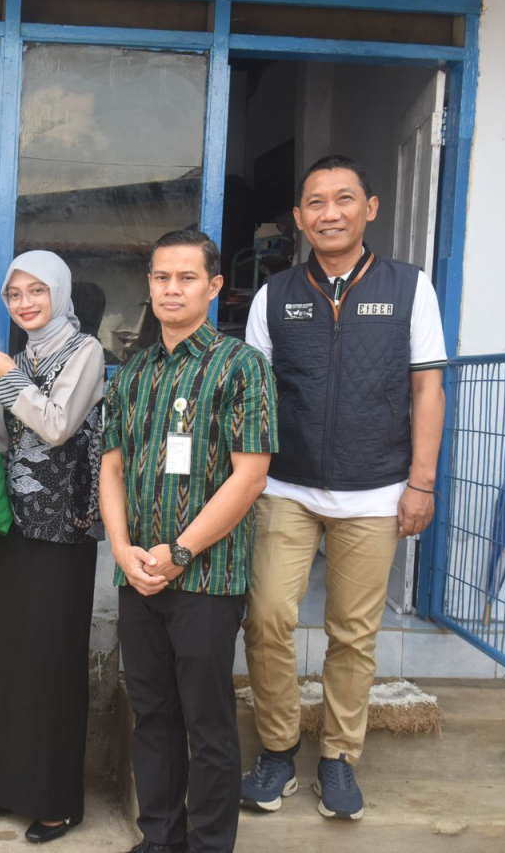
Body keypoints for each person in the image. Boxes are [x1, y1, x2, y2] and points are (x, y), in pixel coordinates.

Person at [240, 155, 446, 821]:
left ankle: (338, 756)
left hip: (376, 489)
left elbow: (427, 387)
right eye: (316, 203)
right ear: (299, 217)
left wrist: (421, 482)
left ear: (370, 209)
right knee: (267, 616)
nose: (330, 213)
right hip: (285, 485)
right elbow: (253, 395)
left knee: (353, 632)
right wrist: (248, 478)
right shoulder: (274, 295)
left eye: (344, 199)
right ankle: (277, 749)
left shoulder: (410, 288)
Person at [101, 229, 277, 853]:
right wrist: (121, 550)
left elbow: (250, 476)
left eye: (186, 277)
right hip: (138, 576)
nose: (171, 289)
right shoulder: (132, 372)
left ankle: (208, 845)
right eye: (161, 277)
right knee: (152, 716)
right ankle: (159, 839)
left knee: (208, 723)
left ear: (214, 286)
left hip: (206, 577)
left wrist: (179, 553)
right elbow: (112, 468)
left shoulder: (242, 366)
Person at [0, 251, 105, 844]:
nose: (25, 303)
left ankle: (55, 802)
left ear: (59, 293)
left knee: (51, 661)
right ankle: (2, 786)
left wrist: (9, 380)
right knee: (9, 655)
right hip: (15, 527)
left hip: (65, 529)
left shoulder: (85, 351)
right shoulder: (19, 359)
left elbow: (57, 424)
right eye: (15, 294)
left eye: (36, 291)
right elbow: (2, 444)